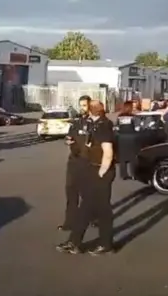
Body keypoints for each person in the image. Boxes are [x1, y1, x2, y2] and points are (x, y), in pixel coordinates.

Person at [58, 100, 116, 255]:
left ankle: (105, 244)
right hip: (92, 168)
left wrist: (102, 171)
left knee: (102, 210)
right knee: (87, 208)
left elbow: (108, 151)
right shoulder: (94, 124)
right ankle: (75, 242)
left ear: (92, 111)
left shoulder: (104, 126)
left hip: (100, 171)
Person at [59, 95, 92, 231]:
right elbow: (68, 137)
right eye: (81, 105)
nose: (82, 108)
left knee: (88, 194)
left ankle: (93, 218)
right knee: (71, 192)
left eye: (84, 105)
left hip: (88, 162)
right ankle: (69, 222)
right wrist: (68, 141)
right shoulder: (76, 122)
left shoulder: (95, 122)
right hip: (74, 161)